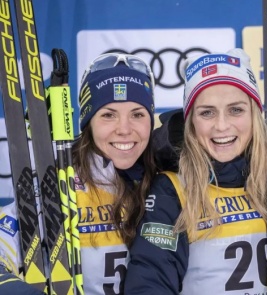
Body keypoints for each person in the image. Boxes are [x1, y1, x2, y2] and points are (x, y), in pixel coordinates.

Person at [0, 53, 158, 295]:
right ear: (88, 122)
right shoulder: (63, 182)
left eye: (137, 114)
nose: (125, 129)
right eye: (108, 115)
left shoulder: (166, 180)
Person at [124, 48, 267, 294]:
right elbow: (150, 280)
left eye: (236, 110)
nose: (222, 126)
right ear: (191, 123)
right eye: (207, 112)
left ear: (255, 115)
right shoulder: (173, 190)